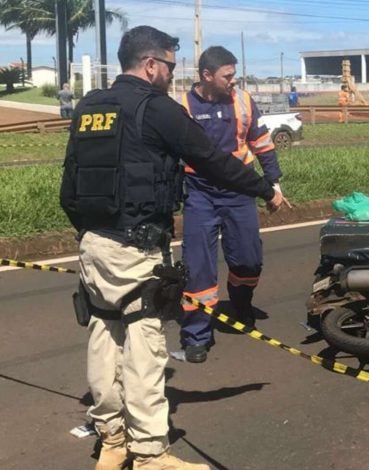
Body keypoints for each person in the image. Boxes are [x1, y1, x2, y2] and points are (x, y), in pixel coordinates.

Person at [60, 26, 285, 470]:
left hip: (92, 244)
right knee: (144, 348)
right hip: (136, 245)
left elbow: (70, 186)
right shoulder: (157, 108)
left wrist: (89, 234)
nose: (170, 73)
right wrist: (264, 188)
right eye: (167, 64)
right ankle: (148, 455)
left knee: (105, 338)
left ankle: (111, 439)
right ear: (150, 65)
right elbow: (214, 161)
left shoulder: (89, 109)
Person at [178, 46, 290, 364]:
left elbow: (262, 142)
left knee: (248, 260)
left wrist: (274, 182)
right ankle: (197, 336)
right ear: (207, 76)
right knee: (198, 268)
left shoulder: (242, 101)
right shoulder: (183, 106)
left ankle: (241, 303)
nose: (234, 80)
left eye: (234, 74)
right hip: (200, 195)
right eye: (228, 75)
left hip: (240, 192)